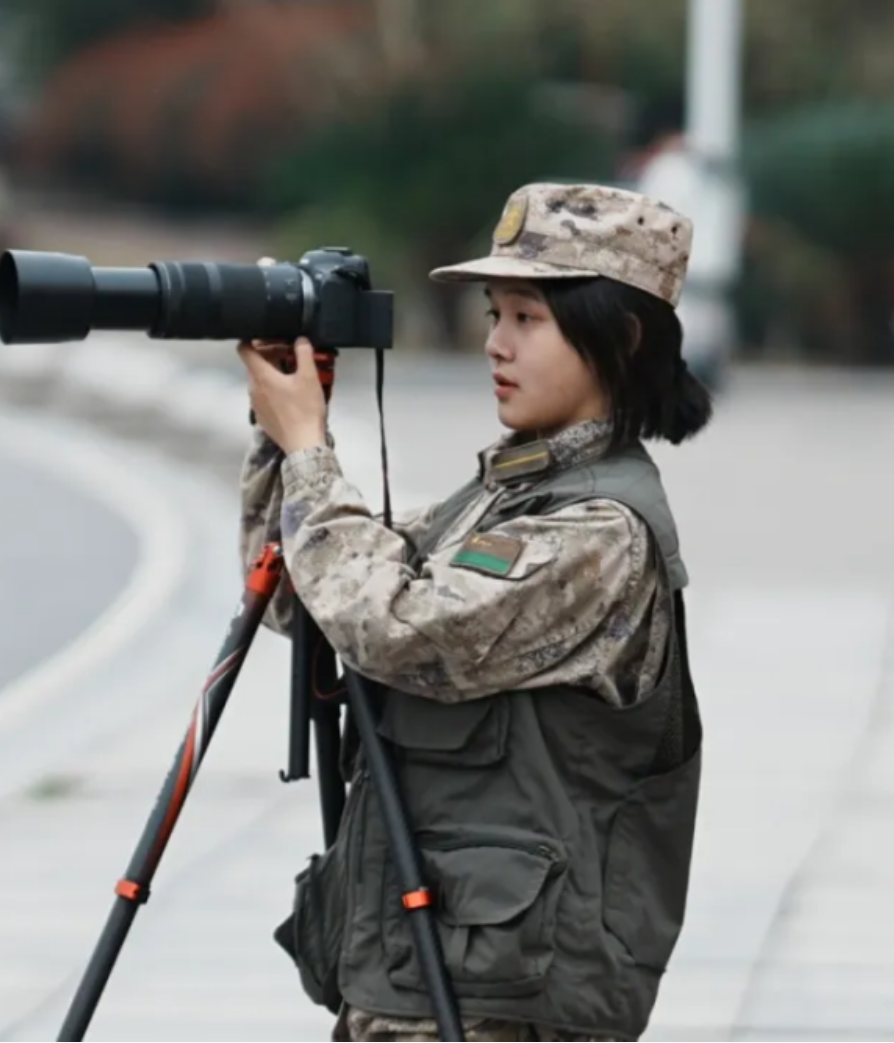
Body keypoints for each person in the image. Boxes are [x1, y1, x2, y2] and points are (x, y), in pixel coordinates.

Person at [238, 182, 712, 1042]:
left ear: (621, 337)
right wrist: (280, 433)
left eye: (527, 317)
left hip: (501, 1003)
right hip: (423, 973)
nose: (495, 342)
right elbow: (303, 594)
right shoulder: (502, 499)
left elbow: (394, 626)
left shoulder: (596, 530)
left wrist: (310, 449)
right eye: (495, 313)